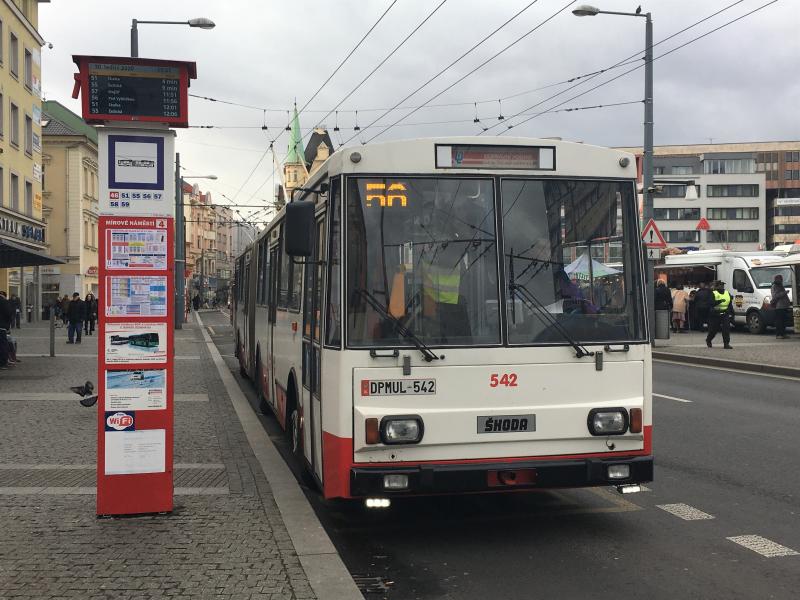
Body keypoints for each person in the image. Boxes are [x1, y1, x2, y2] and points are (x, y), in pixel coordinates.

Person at [706, 280, 733, 349]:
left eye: (723, 285)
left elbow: (730, 303)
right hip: (715, 314)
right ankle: (709, 340)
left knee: (726, 329)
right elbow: (710, 303)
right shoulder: (713, 293)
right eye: (720, 285)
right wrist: (719, 301)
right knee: (713, 330)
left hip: (725, 314)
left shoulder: (727, 293)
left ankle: (726, 344)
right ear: (717, 286)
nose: (722, 286)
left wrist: (731, 312)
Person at [770, 274, 791, 339]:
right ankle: (779, 334)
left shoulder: (780, 285)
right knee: (779, 321)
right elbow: (775, 296)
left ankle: (783, 333)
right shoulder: (774, 286)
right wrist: (785, 292)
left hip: (784, 306)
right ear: (777, 279)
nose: (782, 280)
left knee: (784, 321)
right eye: (780, 279)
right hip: (779, 306)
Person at [0, 291, 14, 368]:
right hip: (1, 327)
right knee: (3, 345)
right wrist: (8, 326)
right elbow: (9, 314)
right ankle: (3, 363)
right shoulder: (4, 301)